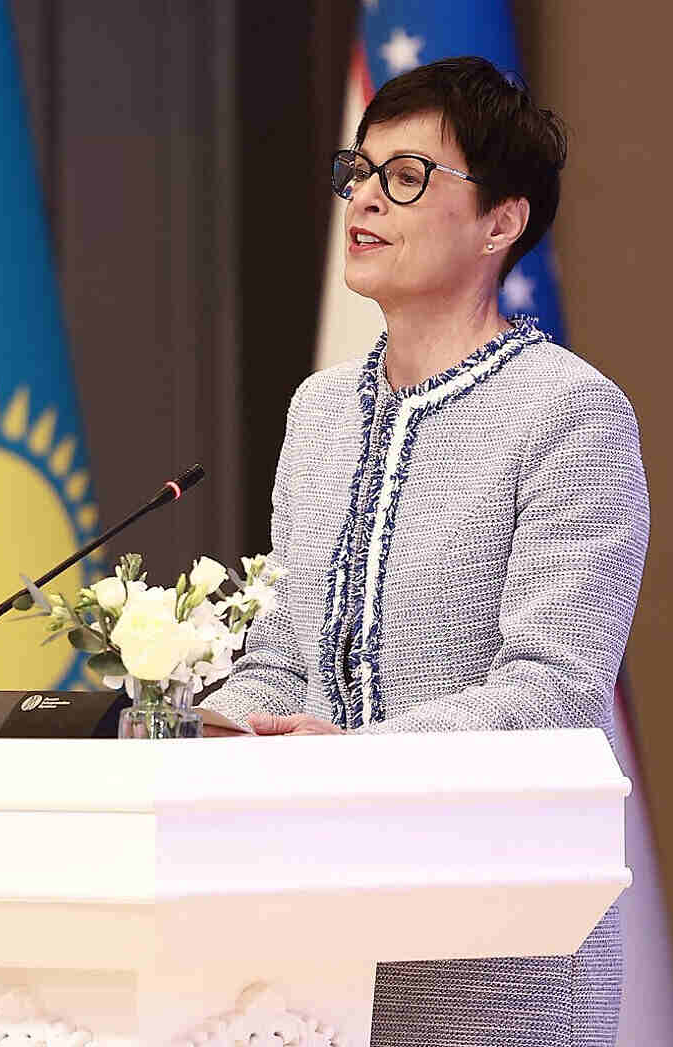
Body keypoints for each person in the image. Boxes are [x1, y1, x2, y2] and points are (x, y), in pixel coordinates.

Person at [200, 56, 649, 1046]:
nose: (363, 197)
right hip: (309, 937)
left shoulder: (571, 415)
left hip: (497, 945)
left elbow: (554, 690)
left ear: (500, 223)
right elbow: (282, 657)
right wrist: (197, 734)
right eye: (359, 171)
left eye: (405, 177)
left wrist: (352, 760)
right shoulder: (318, 412)